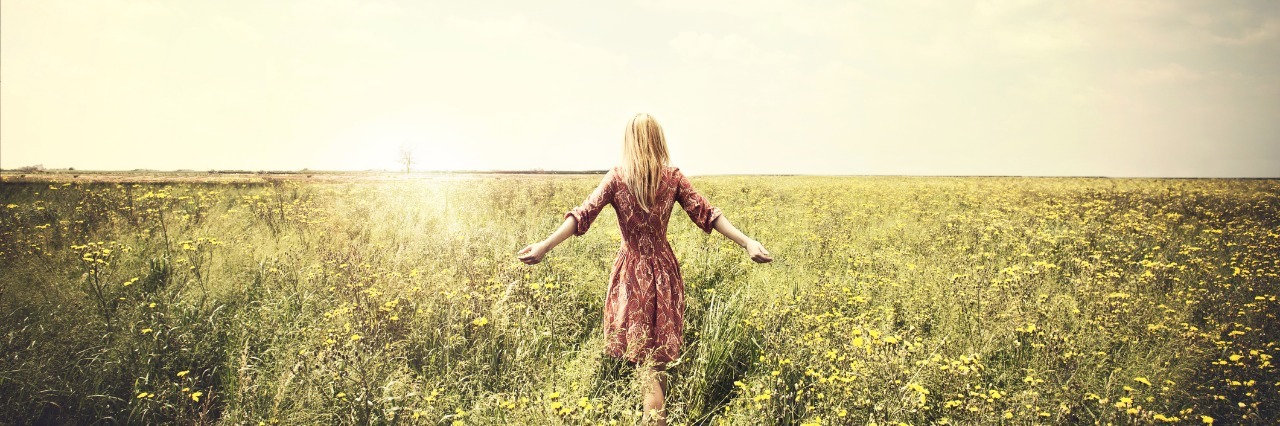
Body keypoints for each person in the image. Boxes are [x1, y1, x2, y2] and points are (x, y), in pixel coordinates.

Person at [516, 113, 772, 425]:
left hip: (631, 275)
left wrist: (545, 245)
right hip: (664, 273)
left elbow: (583, 214)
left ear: (629, 141)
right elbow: (707, 213)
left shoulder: (617, 177)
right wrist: (747, 241)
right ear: (658, 139)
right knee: (656, 363)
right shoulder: (672, 177)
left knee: (648, 366)